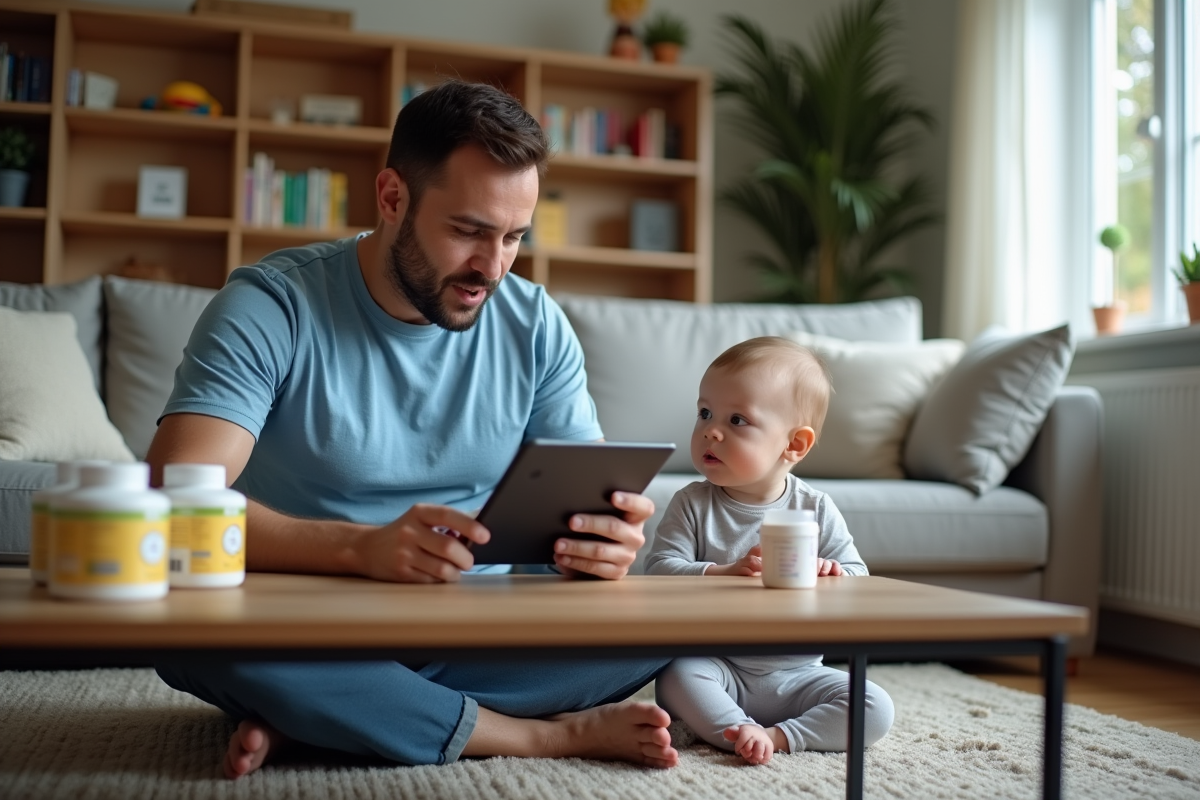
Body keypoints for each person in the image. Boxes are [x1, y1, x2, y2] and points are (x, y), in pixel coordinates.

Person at [146, 79, 678, 778]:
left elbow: (575, 509)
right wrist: (358, 550)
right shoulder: (271, 307)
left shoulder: (536, 324)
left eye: (513, 237)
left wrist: (598, 547)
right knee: (191, 631)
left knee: (662, 627)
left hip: (472, 627)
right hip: (308, 621)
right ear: (392, 198)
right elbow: (170, 501)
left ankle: (331, 719)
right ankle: (534, 737)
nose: (492, 268)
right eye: (468, 231)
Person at [644, 336, 895, 765]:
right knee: (674, 676)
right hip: (718, 665)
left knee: (875, 706)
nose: (711, 430)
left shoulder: (814, 508)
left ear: (794, 445)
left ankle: (778, 737)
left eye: (737, 419)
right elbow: (658, 572)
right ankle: (735, 726)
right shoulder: (692, 503)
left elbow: (859, 577)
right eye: (705, 412)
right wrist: (721, 573)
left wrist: (830, 571)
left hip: (799, 674)